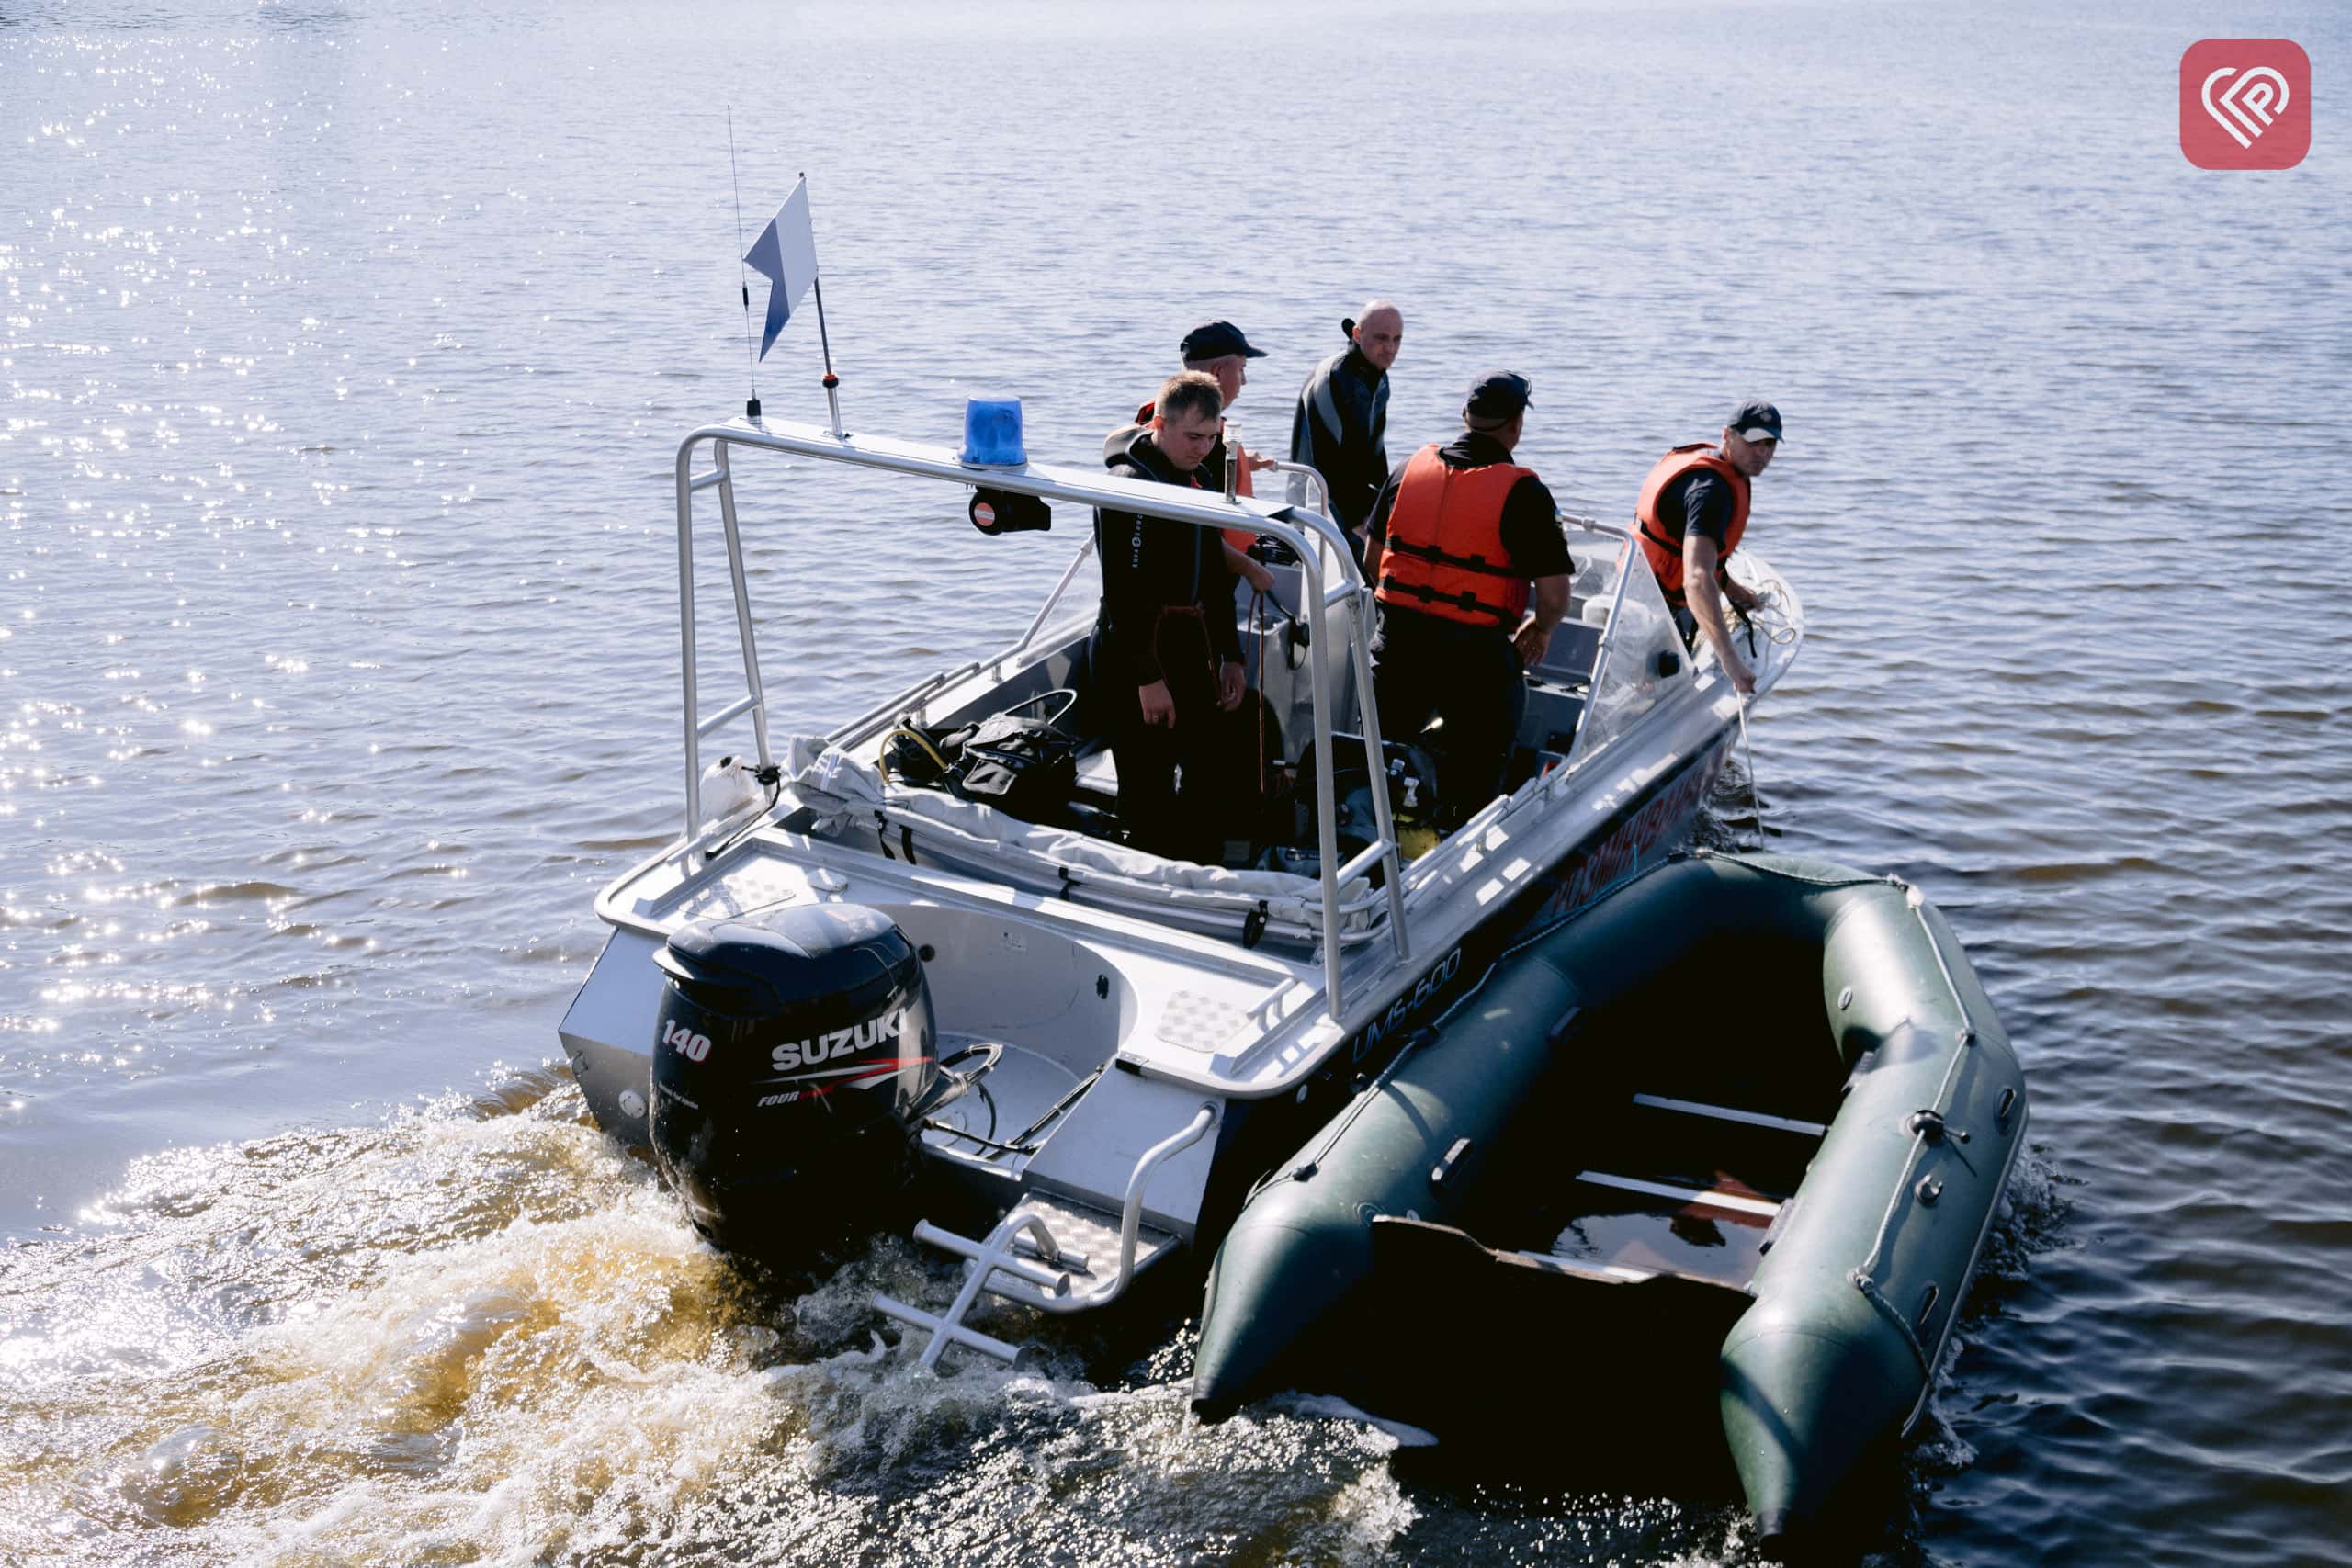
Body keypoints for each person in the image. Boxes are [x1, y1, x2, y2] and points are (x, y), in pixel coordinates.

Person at [1363, 372, 1572, 824]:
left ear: (1465, 416)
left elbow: (1372, 558)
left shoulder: (1407, 470)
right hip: (1476, 665)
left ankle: (1374, 837)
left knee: (1380, 766)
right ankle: (1457, 838)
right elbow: (1555, 596)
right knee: (1473, 782)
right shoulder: (1524, 494)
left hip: (1397, 649)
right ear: (1516, 425)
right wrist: (1540, 628)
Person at [1091, 370, 1250, 861]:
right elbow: (1122, 593)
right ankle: (1140, 880)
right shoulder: (1131, 488)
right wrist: (1147, 678)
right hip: (1132, 652)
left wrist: (1231, 655)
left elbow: (1214, 580)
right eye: (1193, 437)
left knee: (1208, 768)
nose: (1204, 448)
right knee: (1146, 785)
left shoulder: (1193, 480)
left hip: (1186, 642)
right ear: (1160, 423)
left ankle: (1201, 874)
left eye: (1211, 437)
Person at [1115, 320, 1278, 594]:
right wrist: (1251, 569)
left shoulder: (1165, 423)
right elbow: (1194, 533)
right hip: (1200, 588)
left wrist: (1243, 462)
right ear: (1218, 372)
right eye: (1242, 371)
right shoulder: (1206, 448)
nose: (1244, 381)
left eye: (1211, 438)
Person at [1634, 399, 1781, 696]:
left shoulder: (1712, 467)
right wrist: (1731, 661)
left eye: (1770, 443)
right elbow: (1697, 579)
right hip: (1652, 609)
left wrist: (1731, 588)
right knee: (1659, 696)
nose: (1762, 453)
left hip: (1639, 584)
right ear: (1727, 436)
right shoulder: (1710, 492)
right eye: (1753, 442)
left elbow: (1690, 552)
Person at [1290, 300, 1402, 555]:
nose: (1391, 348)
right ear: (1358, 334)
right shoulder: (1333, 378)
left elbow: (1376, 455)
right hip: (1314, 510)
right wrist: (1358, 524)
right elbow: (1327, 462)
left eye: (1397, 340)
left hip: (1350, 501)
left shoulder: (1379, 378)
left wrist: (1386, 507)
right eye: (1382, 338)